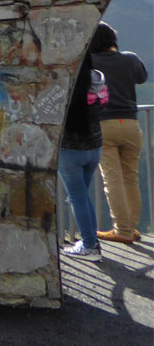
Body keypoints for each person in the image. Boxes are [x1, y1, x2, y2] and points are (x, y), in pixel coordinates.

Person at [92, 23, 149, 244]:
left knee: (112, 179)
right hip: (131, 124)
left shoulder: (91, 63)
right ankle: (131, 228)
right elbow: (141, 77)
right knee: (130, 178)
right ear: (112, 39)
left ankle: (122, 231)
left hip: (103, 125)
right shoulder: (130, 58)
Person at [59, 52, 105, 262]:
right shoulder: (96, 81)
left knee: (78, 198)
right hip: (94, 148)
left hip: (70, 151)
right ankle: (91, 240)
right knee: (82, 196)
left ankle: (89, 245)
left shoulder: (63, 84)